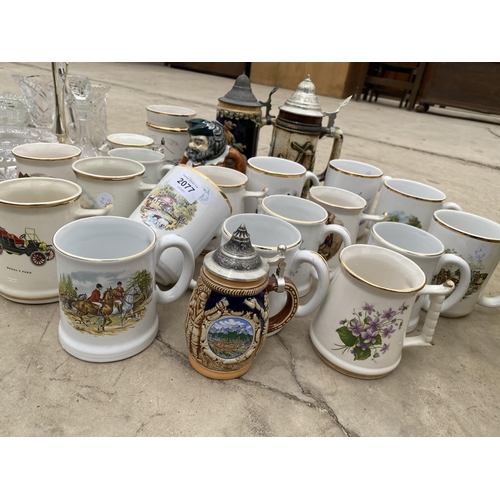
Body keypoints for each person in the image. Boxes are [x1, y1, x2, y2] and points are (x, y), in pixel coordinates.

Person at [180, 119, 246, 173]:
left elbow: (239, 161)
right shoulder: (191, 153)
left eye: (198, 143)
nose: (191, 145)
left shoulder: (225, 152)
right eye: (191, 140)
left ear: (212, 144)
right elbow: (180, 167)